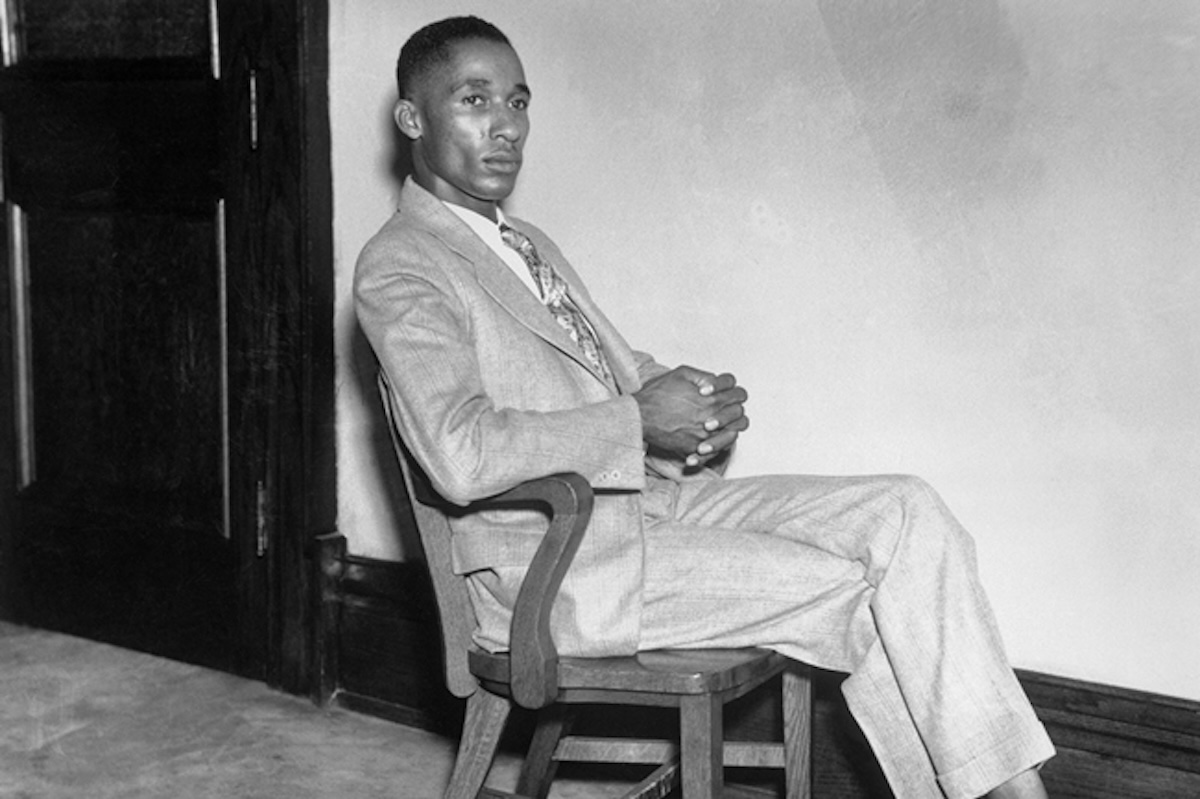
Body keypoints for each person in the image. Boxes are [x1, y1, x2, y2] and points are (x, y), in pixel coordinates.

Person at [354, 15, 1056, 799]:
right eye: (475, 100)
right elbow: (460, 452)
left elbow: (621, 373)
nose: (506, 127)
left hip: (657, 509)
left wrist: (698, 406)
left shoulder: (528, 243)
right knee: (863, 591)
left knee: (905, 510)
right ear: (413, 118)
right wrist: (638, 422)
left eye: (518, 103)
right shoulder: (402, 264)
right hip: (557, 569)